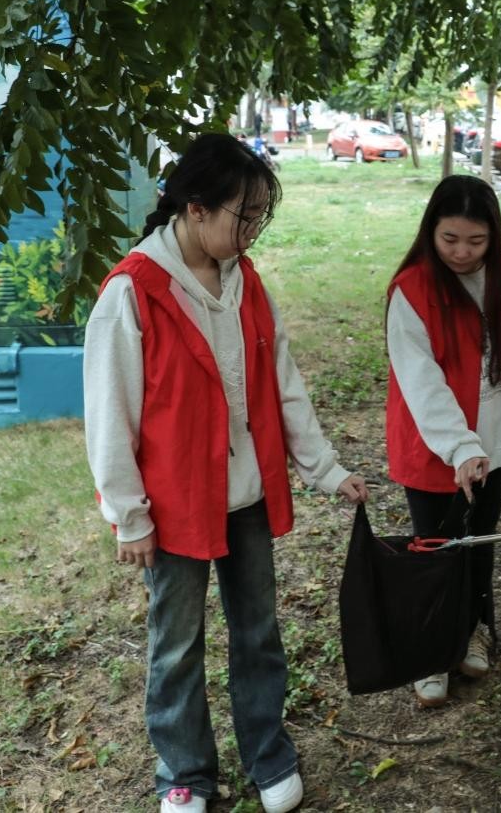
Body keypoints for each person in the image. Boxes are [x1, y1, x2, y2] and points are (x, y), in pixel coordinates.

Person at [84, 133, 370, 813]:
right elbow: (109, 412)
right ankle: (183, 772)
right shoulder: (133, 292)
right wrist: (129, 515)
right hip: (175, 506)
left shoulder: (245, 281)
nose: (251, 232)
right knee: (176, 645)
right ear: (195, 207)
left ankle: (268, 754)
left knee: (258, 633)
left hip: (247, 497)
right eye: (244, 216)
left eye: (260, 217)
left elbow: (283, 383)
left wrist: (325, 469)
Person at [385, 174, 501, 707]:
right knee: (436, 546)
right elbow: (420, 380)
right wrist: (459, 446)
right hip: (435, 441)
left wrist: (488, 436)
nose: (462, 252)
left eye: (476, 241)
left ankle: (473, 628)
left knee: (480, 540)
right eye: (450, 239)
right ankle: (431, 652)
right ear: (430, 230)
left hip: (494, 435)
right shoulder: (411, 290)